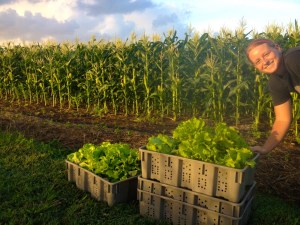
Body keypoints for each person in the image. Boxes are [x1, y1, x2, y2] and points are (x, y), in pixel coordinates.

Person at [245, 39, 300, 155]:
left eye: (266, 54)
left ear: (277, 48)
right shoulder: (276, 82)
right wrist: (265, 148)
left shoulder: (294, 58)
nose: (264, 62)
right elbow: (283, 119)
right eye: (258, 61)